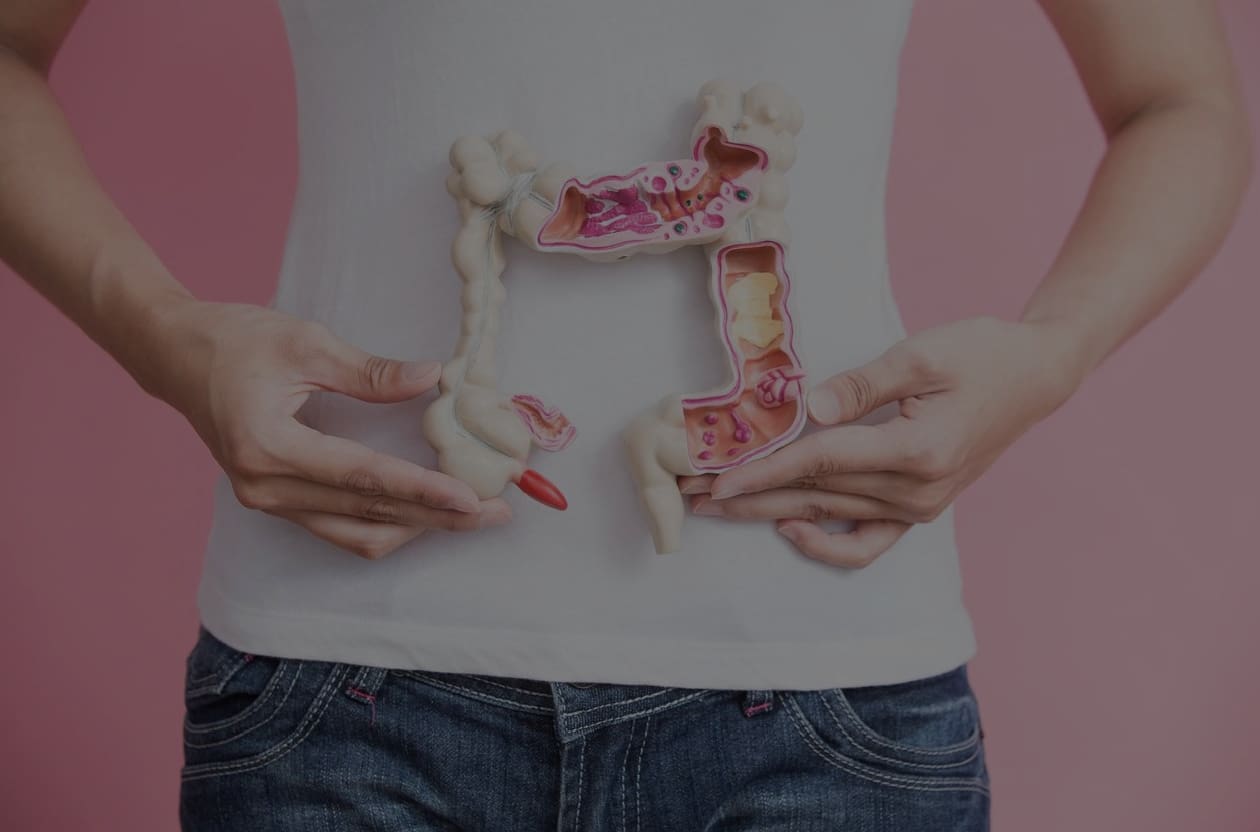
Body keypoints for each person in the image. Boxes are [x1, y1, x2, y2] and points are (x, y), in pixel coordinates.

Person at [1, 1, 1250, 829]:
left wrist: (1053, 352)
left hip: (826, 700)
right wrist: (160, 336)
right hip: (343, 692)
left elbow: (1179, 94)